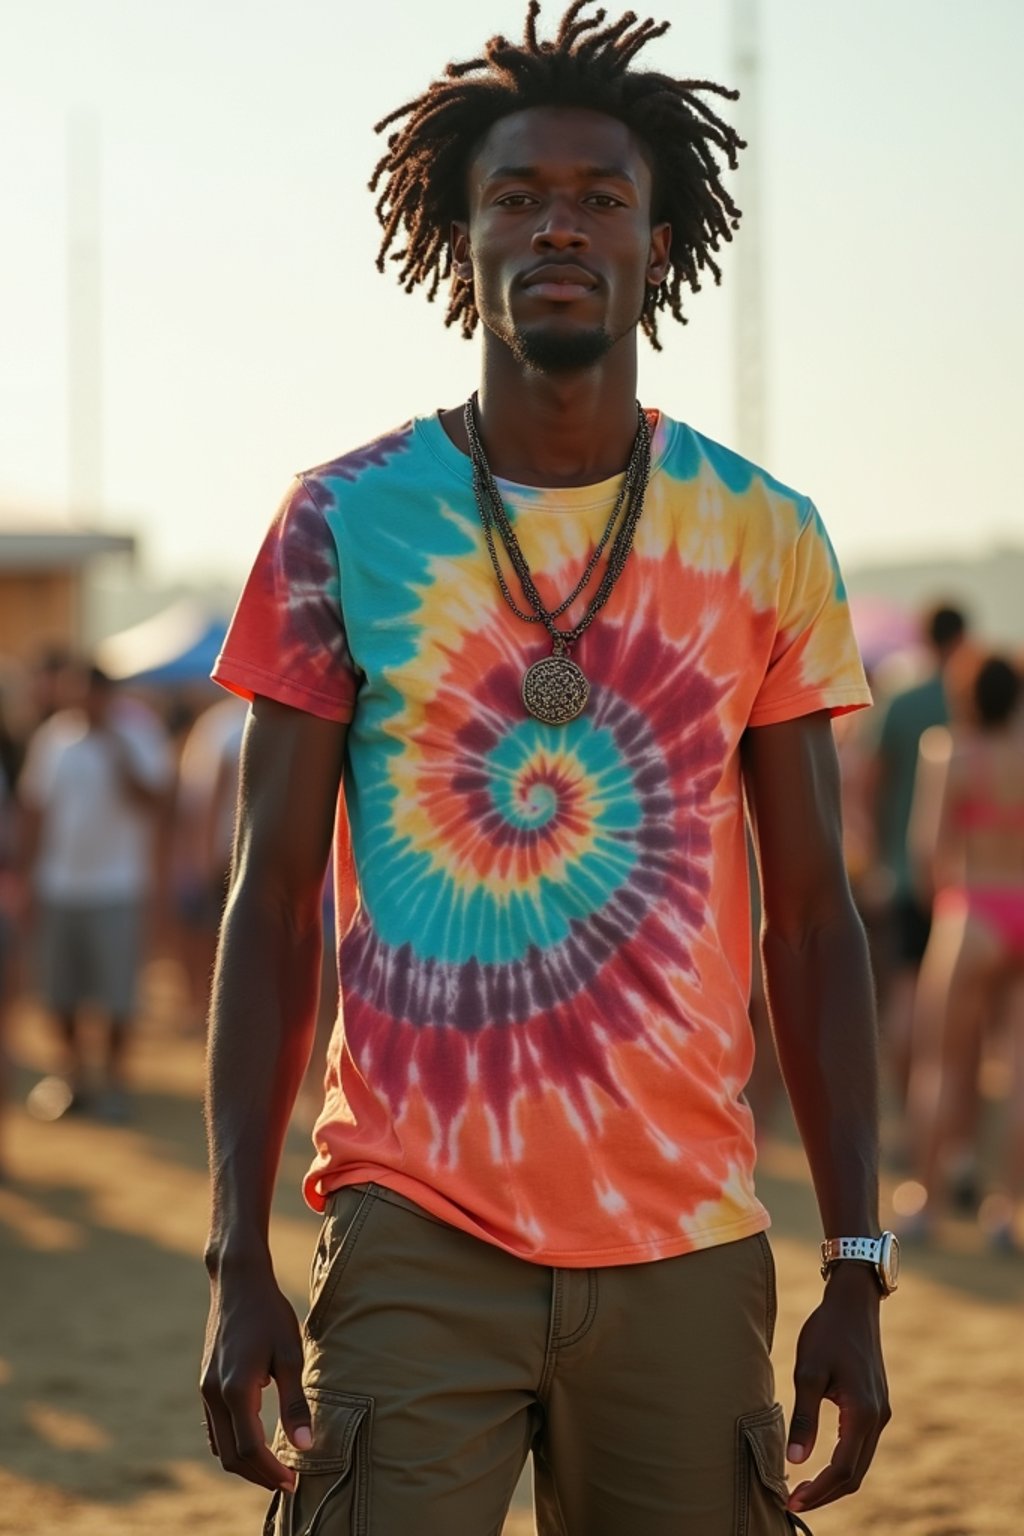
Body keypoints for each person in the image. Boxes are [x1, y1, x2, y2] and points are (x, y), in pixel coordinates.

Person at [200, 6, 892, 1532]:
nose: (557, 225)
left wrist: (856, 1260)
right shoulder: (341, 521)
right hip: (408, 1235)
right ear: (460, 243)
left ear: (659, 246)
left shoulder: (764, 532)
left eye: (599, 197)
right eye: (517, 197)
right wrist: (236, 1251)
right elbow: (271, 907)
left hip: (689, 1248)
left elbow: (814, 919)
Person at [900, 654, 1024, 1247]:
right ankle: (1007, 1212)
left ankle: (926, 1200)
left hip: (970, 912)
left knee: (941, 1065)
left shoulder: (949, 753)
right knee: (1020, 1071)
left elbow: (927, 850)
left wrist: (945, 903)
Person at [18, 662, 172, 1121]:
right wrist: (28, 876)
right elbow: (36, 809)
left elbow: (157, 800)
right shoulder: (53, 739)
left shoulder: (136, 735)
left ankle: (114, 1082)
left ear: (106, 695)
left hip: (117, 886)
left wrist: (117, 754)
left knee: (116, 991)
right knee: (59, 989)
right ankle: (73, 1076)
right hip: (58, 885)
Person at [870, 602, 968, 1113]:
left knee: (907, 991)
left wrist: (879, 848)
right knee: (963, 1014)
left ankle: (910, 1111)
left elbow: (869, 781)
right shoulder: (972, 702)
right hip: (968, 879)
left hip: (907, 868)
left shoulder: (900, 703)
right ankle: (952, 1127)